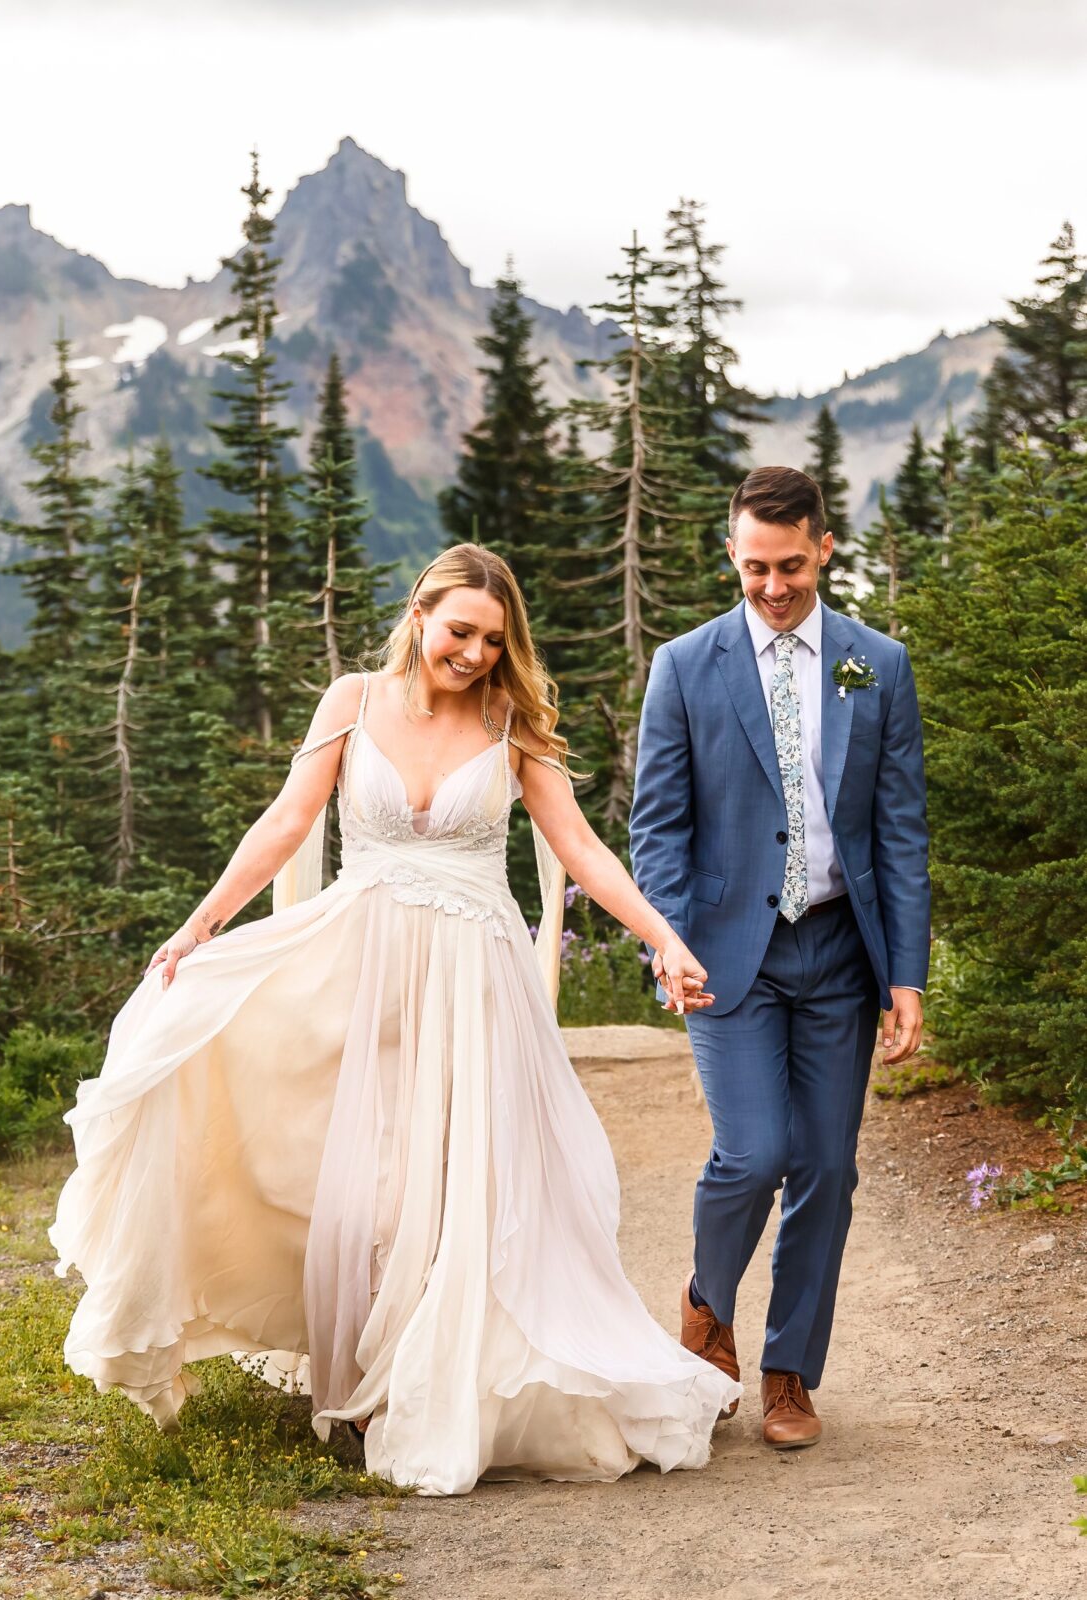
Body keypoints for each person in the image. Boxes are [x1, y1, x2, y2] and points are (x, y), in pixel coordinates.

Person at [51, 543, 740, 1496]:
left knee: (461, 1178)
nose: (474, 654)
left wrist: (663, 939)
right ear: (419, 614)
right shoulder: (350, 700)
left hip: (473, 976)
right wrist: (199, 926)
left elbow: (579, 845)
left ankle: (437, 1377)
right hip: (359, 960)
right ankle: (366, 1369)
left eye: (494, 641)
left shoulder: (509, 720)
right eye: (460, 631)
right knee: (365, 1171)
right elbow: (289, 821)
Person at [630, 467, 929, 1450]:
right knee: (753, 1153)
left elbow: (897, 830)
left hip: (839, 950)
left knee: (826, 1170)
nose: (770, 587)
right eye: (753, 567)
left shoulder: (872, 664)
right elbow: (659, 831)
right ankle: (705, 1299)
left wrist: (905, 976)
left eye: (789, 566)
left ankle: (788, 1371)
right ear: (730, 554)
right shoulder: (684, 665)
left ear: (823, 547)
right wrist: (665, 943)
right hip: (724, 953)